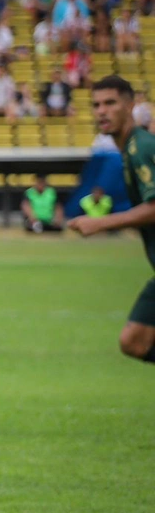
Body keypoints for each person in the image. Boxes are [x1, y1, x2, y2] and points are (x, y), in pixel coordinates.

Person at [68, 76, 155, 362]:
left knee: (135, 340)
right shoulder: (129, 150)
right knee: (134, 341)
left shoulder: (141, 148)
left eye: (110, 103)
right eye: (96, 105)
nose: (101, 111)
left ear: (130, 105)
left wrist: (100, 222)